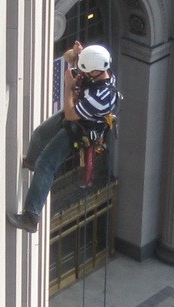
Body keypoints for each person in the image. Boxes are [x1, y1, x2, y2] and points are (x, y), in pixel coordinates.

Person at [11, 41, 119, 232]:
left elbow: (70, 114)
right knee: (40, 134)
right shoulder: (96, 69)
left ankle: (31, 217)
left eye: (86, 70)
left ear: (95, 71)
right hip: (75, 116)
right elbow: (70, 58)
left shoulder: (103, 98)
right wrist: (76, 53)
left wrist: (68, 87)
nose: (82, 72)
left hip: (78, 131)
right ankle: (30, 161)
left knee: (46, 165)